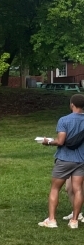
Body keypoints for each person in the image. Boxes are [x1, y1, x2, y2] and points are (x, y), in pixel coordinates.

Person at [37, 94, 84, 229]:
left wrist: (48, 142)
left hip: (65, 159)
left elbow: (61, 141)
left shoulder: (64, 120)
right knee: (78, 189)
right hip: (81, 159)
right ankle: (74, 221)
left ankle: (52, 220)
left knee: (55, 188)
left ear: (72, 105)